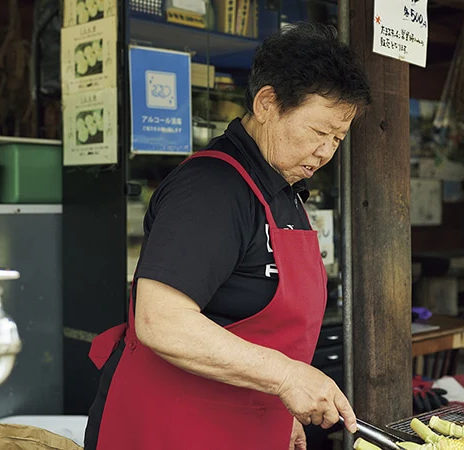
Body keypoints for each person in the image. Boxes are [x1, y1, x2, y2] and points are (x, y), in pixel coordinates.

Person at [83, 22, 372, 449]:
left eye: (337, 138)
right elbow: (160, 320)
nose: (326, 152)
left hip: (239, 424)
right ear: (267, 103)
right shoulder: (211, 188)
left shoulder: (284, 190)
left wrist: (279, 408)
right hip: (168, 428)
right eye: (317, 133)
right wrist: (288, 377)